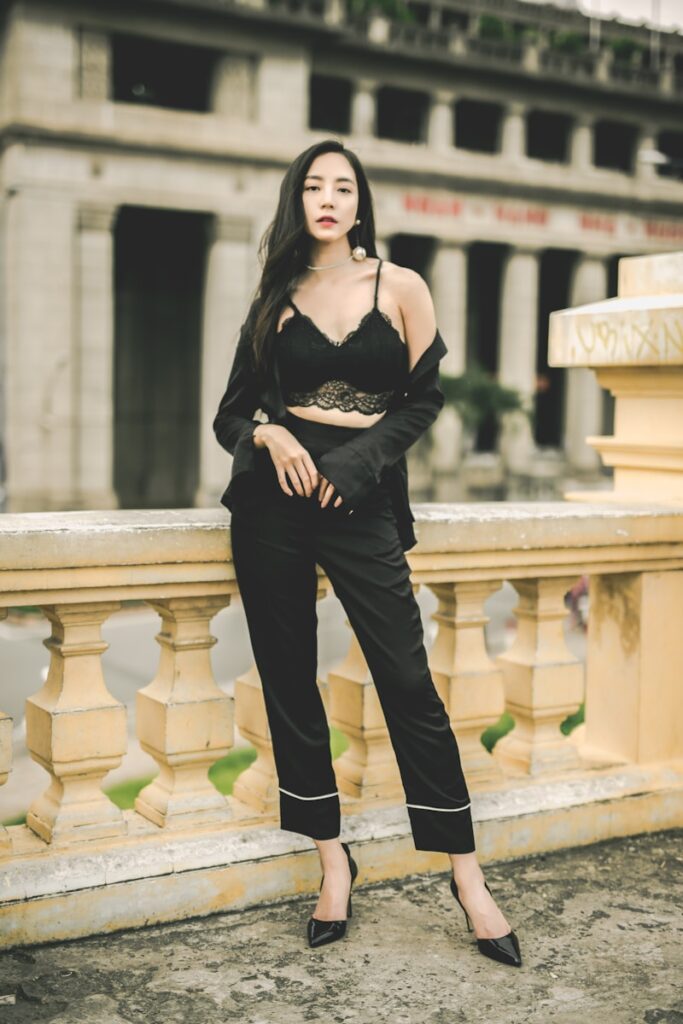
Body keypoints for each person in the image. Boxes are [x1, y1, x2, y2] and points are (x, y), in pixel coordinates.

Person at [213, 139, 521, 967]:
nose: (327, 197)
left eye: (342, 186)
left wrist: (357, 465)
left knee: (406, 680)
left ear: (359, 202)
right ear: (297, 200)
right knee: (288, 678)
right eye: (312, 185)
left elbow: (423, 400)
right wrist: (268, 430)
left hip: (362, 494)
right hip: (272, 504)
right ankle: (330, 862)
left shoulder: (401, 286)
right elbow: (230, 415)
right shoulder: (275, 295)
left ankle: (466, 876)